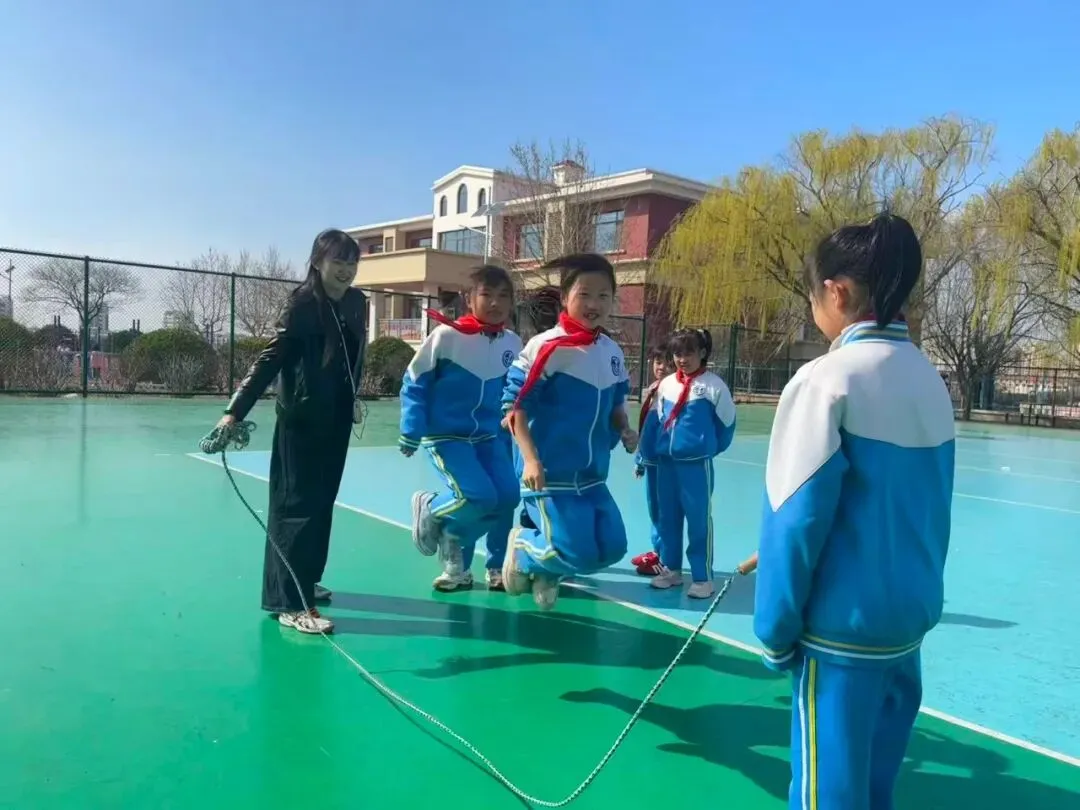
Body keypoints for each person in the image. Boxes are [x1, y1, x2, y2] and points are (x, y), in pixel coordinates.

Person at [753, 213, 955, 810]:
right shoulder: (930, 380)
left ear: (836, 292)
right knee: (874, 789)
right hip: (907, 625)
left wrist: (775, 631)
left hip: (842, 633)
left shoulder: (825, 380)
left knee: (829, 797)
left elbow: (795, 518)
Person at [218, 229, 366, 635]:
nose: (346, 270)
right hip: (300, 420)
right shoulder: (301, 304)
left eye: (352, 263)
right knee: (294, 507)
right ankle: (287, 601)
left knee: (322, 502)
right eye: (338, 262)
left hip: (337, 418)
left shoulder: (356, 303)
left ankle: (306, 580)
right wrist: (234, 412)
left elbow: (353, 358)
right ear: (318, 262)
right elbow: (270, 359)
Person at [500, 253, 637, 610]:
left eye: (603, 295)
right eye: (584, 294)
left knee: (611, 549)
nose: (594, 304)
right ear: (565, 297)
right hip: (549, 476)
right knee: (574, 551)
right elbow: (514, 410)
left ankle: (547, 569)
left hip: (592, 476)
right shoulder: (546, 347)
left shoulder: (611, 351)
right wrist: (531, 461)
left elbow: (616, 404)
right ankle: (523, 549)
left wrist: (625, 429)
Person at [400, 265, 522, 592]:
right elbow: (414, 381)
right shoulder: (447, 337)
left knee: (507, 496)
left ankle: (492, 564)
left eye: (503, 296)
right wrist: (411, 428)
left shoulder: (513, 343)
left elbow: (519, 391)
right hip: (447, 437)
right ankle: (432, 511)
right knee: (476, 496)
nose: (495, 303)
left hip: (489, 438)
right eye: (487, 295)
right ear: (470, 299)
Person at [643, 329, 735, 598]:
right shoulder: (666, 384)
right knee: (667, 519)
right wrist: (649, 453)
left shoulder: (714, 386)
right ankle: (671, 570)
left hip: (695, 467)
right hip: (666, 465)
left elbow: (727, 425)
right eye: (677, 353)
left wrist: (706, 449)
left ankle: (702, 578)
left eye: (689, 353)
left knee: (698, 521)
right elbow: (656, 420)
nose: (682, 359)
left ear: (702, 353)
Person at [631, 343, 675, 577]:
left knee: (664, 511)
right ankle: (658, 551)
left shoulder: (674, 392)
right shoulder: (653, 389)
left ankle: (665, 559)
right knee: (655, 509)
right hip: (651, 461)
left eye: (668, 364)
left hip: (664, 462)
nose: (662, 367)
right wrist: (640, 459)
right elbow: (646, 428)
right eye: (658, 362)